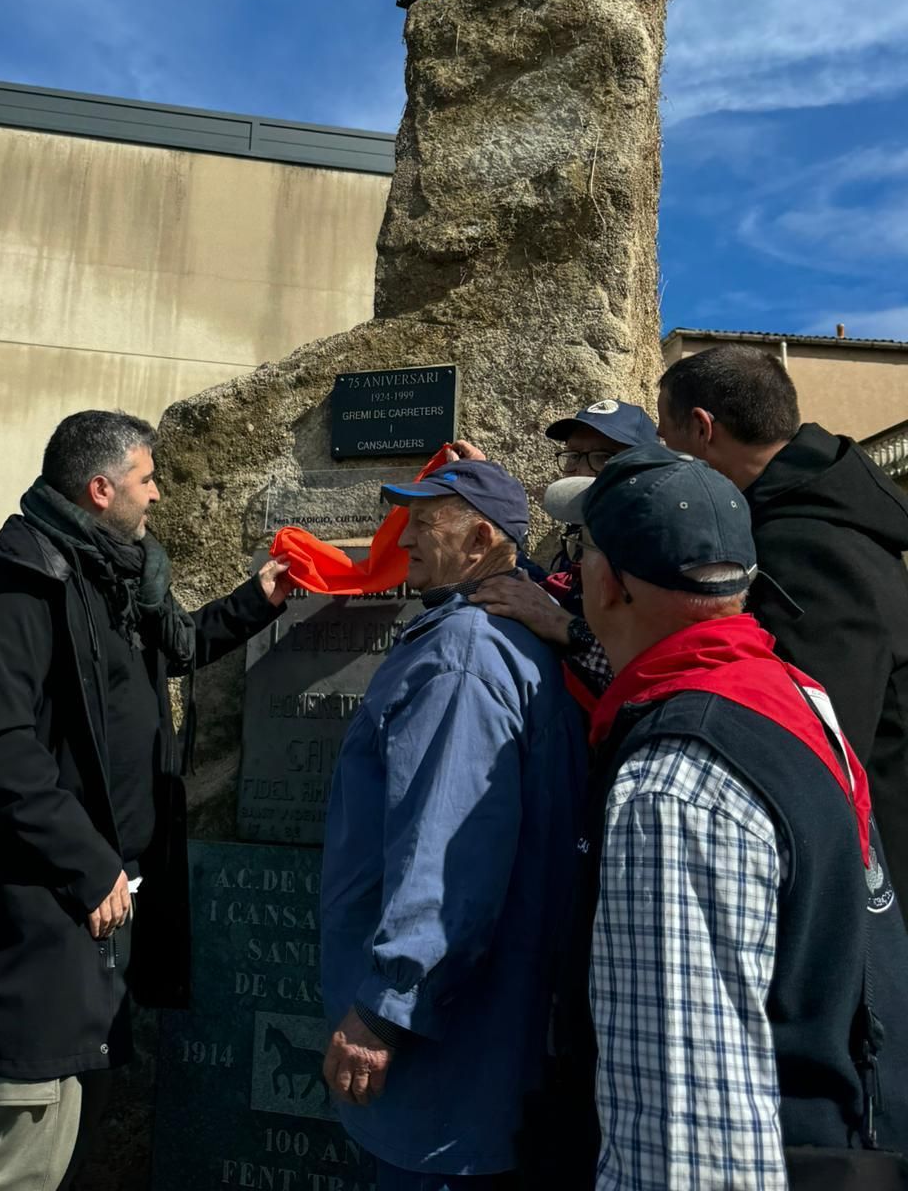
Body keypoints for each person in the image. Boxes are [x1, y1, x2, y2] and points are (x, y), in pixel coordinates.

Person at [0, 409, 289, 1191]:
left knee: (76, 1132)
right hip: (39, 918)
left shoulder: (116, 578)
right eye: (146, 479)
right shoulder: (21, 582)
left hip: (101, 912)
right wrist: (88, 861)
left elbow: (184, 646)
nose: (159, 495)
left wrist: (260, 597)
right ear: (101, 490)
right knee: (22, 1150)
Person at [568, 444, 908, 1188]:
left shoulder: (673, 786)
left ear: (609, 587)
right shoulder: (791, 692)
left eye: (581, 549)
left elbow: (685, 1134)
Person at [320, 459, 586, 1191]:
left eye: (421, 521)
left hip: (439, 1072)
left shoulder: (463, 654)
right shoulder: (490, 638)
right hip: (470, 1058)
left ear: (476, 541)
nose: (399, 538)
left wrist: (385, 1007)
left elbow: (447, 852)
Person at [658, 343, 908, 895]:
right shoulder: (814, 514)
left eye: (664, 434)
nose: (664, 450)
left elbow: (816, 746)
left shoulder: (806, 545)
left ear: (702, 428)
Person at [449, 399, 657, 679]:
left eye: (603, 457)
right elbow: (542, 595)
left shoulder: (658, 547)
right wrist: (485, 483)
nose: (579, 471)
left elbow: (651, 672)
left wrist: (567, 627)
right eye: (573, 455)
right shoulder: (581, 533)